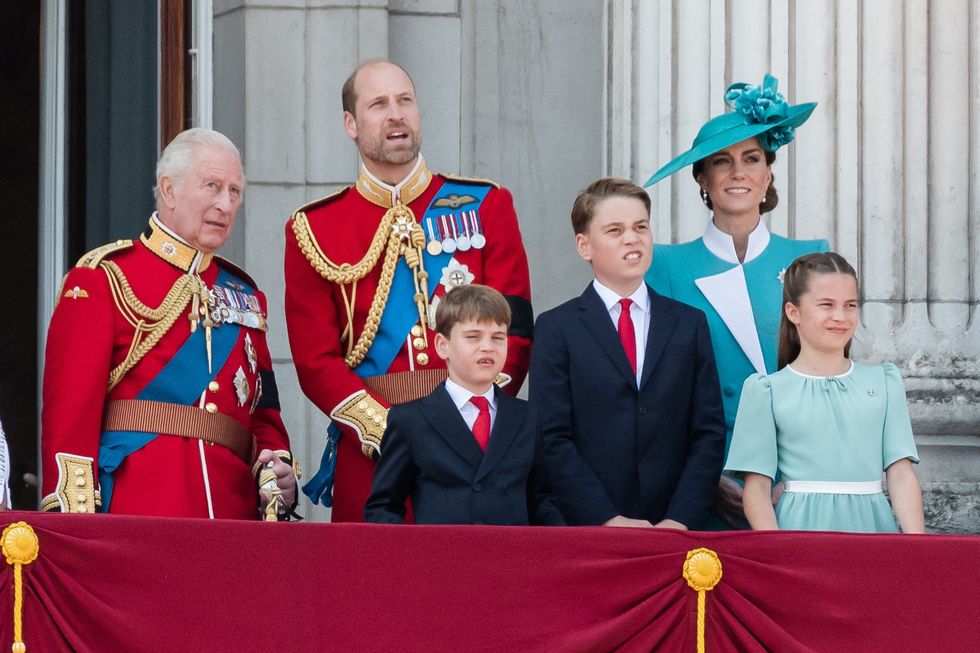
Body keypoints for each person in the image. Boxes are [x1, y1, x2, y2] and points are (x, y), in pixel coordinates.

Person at [285, 59, 533, 522]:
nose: (396, 114)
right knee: (374, 589)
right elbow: (315, 361)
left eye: (405, 101)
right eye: (378, 104)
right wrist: (396, 432)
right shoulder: (313, 229)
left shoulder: (487, 205)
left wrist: (465, 419)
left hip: (474, 449)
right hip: (373, 454)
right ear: (351, 125)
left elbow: (514, 333)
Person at [40, 128, 298, 520]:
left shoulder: (245, 294)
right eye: (212, 186)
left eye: (234, 191)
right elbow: (70, 421)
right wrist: (78, 529)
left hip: (232, 521)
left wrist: (277, 471)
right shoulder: (104, 279)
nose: (225, 204)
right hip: (137, 515)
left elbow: (264, 416)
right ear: (169, 189)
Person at [643, 74, 829, 527]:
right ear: (702, 178)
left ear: (768, 173)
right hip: (701, 480)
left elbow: (829, 380)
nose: (738, 172)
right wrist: (705, 477)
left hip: (796, 481)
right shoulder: (664, 264)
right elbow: (660, 390)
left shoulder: (810, 256)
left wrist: (800, 476)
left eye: (751, 158)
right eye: (722, 162)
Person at [530, 178, 725, 529]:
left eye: (640, 227)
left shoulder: (688, 324)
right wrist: (606, 518)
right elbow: (552, 437)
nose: (632, 238)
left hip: (676, 527)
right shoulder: (556, 328)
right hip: (589, 527)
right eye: (615, 230)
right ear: (584, 245)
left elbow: (708, 432)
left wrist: (679, 519)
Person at [724, 253, 925, 533]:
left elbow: (901, 475)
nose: (840, 316)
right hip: (799, 535)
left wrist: (917, 549)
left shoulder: (884, 381)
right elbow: (756, 489)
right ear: (793, 312)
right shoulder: (767, 391)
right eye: (826, 305)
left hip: (874, 532)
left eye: (850, 305)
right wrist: (776, 552)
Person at [364, 285, 562, 525]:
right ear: (442, 345)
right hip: (441, 559)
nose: (487, 346)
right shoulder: (410, 420)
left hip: (512, 559)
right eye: (473, 337)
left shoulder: (528, 417)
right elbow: (385, 505)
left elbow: (540, 500)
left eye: (498, 338)